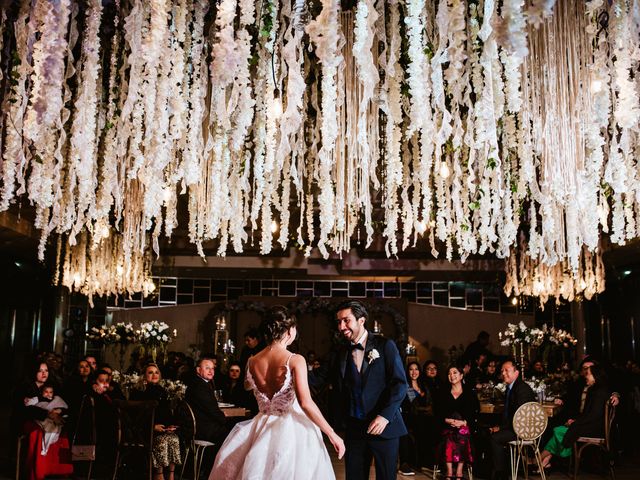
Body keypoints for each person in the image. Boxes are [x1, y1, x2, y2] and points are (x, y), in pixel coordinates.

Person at [209, 306, 344, 479]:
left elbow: (247, 386)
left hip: (261, 425)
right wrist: (332, 433)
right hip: (292, 428)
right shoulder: (295, 359)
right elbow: (306, 403)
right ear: (289, 331)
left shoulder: (252, 361)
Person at [334, 300, 407, 480]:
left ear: (361, 320)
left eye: (346, 320)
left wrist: (385, 416)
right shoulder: (339, 352)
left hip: (384, 427)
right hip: (354, 429)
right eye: (339, 322)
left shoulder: (385, 345)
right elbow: (319, 377)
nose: (341, 326)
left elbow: (400, 384)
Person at [538, 363, 610, 470]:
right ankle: (543, 461)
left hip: (595, 429)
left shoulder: (600, 392)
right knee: (559, 429)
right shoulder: (594, 389)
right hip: (589, 424)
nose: (586, 376)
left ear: (596, 376)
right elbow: (587, 414)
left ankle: (537, 460)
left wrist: (575, 423)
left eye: (588, 374)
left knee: (559, 431)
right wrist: (575, 421)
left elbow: (593, 416)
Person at [130, 363, 182, 480]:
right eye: (150, 372)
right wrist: (152, 426)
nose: (154, 375)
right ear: (144, 376)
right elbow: (135, 417)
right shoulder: (138, 392)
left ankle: (171, 475)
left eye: (156, 372)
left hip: (161, 429)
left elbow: (167, 414)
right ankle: (158, 475)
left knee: (174, 438)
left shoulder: (162, 391)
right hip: (144, 430)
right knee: (162, 440)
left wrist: (170, 426)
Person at [488, 360, 535, 480]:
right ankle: (493, 470)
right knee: (487, 430)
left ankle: (501, 474)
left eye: (507, 370)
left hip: (523, 429)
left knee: (495, 438)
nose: (503, 373)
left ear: (516, 373)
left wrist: (501, 428)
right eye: (502, 371)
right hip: (514, 426)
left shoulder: (521, 389)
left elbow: (518, 417)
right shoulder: (511, 388)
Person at [434, 365, 479, 480]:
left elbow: (475, 412)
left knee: (462, 435)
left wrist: (463, 422)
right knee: (449, 437)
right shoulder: (442, 392)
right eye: (449, 373)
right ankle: (449, 471)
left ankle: (459, 471)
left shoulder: (469, 393)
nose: (452, 375)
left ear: (461, 375)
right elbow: (437, 412)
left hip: (464, 426)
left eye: (455, 372)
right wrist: (446, 420)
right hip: (446, 426)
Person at [185, 357, 229, 445]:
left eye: (212, 368)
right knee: (237, 433)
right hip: (204, 429)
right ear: (198, 370)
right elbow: (212, 410)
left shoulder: (200, 383)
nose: (211, 371)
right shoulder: (199, 387)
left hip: (203, 426)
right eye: (207, 368)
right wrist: (225, 419)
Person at [398, 361, 430, 476]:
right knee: (406, 434)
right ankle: (404, 464)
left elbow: (429, 403)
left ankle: (422, 463)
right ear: (407, 372)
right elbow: (413, 404)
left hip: (422, 418)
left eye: (416, 369)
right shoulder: (406, 385)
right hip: (409, 417)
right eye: (411, 369)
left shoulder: (423, 385)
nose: (414, 372)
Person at [24, 384, 68, 455]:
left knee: (56, 426)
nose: (48, 394)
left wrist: (58, 410)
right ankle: (45, 448)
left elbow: (64, 407)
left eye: (51, 392)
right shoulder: (38, 398)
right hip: (43, 417)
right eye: (46, 392)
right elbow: (29, 404)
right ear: (42, 392)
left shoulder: (56, 399)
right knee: (50, 426)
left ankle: (47, 445)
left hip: (55, 417)